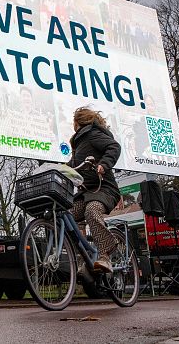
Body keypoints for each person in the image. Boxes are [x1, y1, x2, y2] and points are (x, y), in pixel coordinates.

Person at [67, 107, 122, 273]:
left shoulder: (91, 134)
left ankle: (105, 254)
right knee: (65, 215)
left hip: (104, 188)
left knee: (92, 211)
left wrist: (104, 165)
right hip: (85, 193)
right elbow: (72, 166)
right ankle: (83, 257)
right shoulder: (78, 142)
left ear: (78, 122)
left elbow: (114, 147)